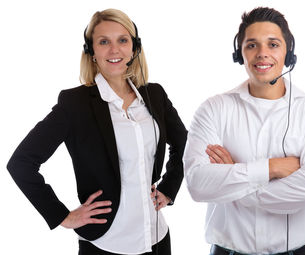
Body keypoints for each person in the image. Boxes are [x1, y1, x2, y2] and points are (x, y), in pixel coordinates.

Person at [7, 8, 187, 255]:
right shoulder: (75, 104)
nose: (115, 50)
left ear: (135, 48)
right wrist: (62, 215)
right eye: (104, 42)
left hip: (156, 239)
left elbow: (185, 143)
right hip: (106, 243)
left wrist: (169, 187)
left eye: (123, 40)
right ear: (91, 52)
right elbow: (21, 162)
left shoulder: (154, 95)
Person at [183, 7, 305, 255]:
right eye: (252, 45)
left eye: (273, 44)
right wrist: (272, 168)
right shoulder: (213, 109)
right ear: (240, 53)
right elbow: (198, 184)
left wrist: (234, 183)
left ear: (288, 52)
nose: (262, 54)